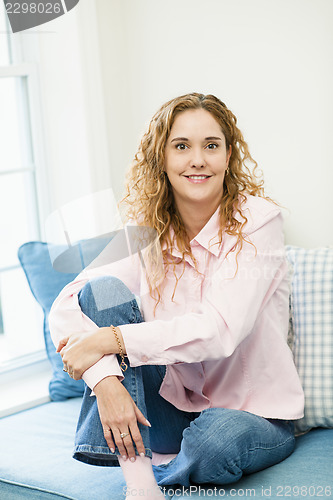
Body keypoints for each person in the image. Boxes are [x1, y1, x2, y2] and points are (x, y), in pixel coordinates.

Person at [49, 93, 304, 499]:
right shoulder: (146, 233)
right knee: (102, 292)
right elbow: (67, 301)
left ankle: (162, 468)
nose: (197, 159)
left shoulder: (259, 222)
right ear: (162, 158)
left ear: (228, 155)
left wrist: (110, 340)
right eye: (181, 146)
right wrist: (107, 384)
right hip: (171, 407)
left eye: (211, 145)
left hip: (254, 416)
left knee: (212, 443)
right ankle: (140, 485)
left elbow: (218, 331)